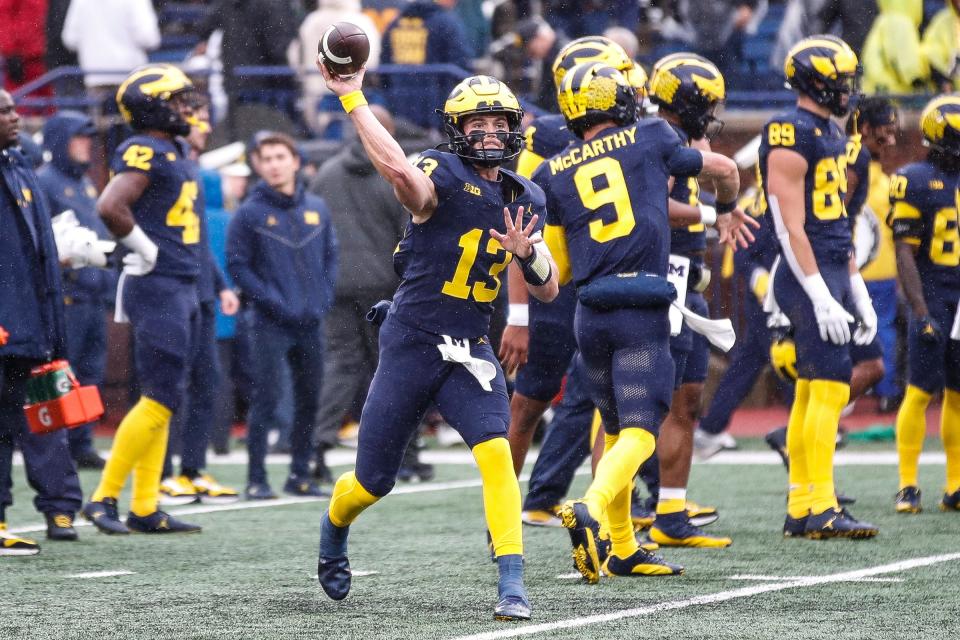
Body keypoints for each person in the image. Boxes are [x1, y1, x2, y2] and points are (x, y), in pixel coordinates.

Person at [316, 64, 559, 621]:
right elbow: (406, 180)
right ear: (456, 129)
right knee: (374, 481)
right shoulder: (441, 172)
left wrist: (529, 254)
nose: (491, 133)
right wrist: (353, 99)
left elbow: (548, 290)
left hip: (470, 346)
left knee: (496, 451)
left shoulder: (528, 196)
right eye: (479, 123)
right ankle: (335, 523)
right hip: (412, 340)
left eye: (500, 122)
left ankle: (513, 583)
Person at [536, 61, 741, 581]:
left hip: (588, 311)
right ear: (619, 101)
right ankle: (592, 505)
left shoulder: (552, 171)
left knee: (612, 425)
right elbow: (724, 171)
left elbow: (550, 256)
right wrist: (729, 207)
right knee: (642, 431)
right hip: (641, 304)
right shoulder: (651, 134)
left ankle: (624, 547)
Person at [762, 35, 878, 539]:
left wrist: (855, 287)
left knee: (814, 391)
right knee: (829, 388)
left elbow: (835, 225)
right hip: (807, 274)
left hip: (829, 267)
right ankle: (822, 506)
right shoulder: (789, 130)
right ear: (815, 83)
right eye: (840, 81)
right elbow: (790, 228)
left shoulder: (828, 131)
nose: (848, 91)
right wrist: (819, 292)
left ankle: (802, 506)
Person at [80, 65, 204, 536]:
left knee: (165, 396)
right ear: (152, 104)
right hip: (158, 282)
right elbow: (110, 206)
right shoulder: (145, 148)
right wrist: (145, 249)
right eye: (176, 100)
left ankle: (146, 505)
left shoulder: (171, 147)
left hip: (178, 282)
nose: (185, 109)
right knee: (158, 397)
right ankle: (104, 496)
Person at [645, 53, 735, 549]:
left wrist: (725, 208)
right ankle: (614, 513)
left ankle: (670, 513)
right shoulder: (654, 137)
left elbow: (718, 175)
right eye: (708, 103)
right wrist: (708, 212)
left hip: (689, 288)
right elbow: (653, 204)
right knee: (642, 407)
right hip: (663, 285)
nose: (715, 111)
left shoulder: (681, 137)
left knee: (687, 402)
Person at [227, 132, 338, 500]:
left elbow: (330, 258)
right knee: (266, 400)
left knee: (310, 399)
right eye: (266, 158)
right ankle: (256, 479)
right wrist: (274, 302)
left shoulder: (318, 208)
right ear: (258, 165)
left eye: (280, 156)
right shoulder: (248, 212)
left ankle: (300, 475)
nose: (273, 164)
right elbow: (238, 267)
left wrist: (321, 300)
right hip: (268, 323)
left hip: (311, 322)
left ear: (295, 160)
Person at [1, 89, 85, 552]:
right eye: (4, 110)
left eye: (14, 107)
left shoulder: (19, 166)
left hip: (32, 321)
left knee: (47, 415)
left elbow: (38, 254)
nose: (16, 117)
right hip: (7, 322)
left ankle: (60, 506)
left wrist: (52, 323)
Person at [309, 105, 408, 484]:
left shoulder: (327, 173)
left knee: (342, 364)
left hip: (337, 285)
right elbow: (409, 235)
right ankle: (405, 454)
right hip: (384, 286)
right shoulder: (394, 175)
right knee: (393, 369)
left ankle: (317, 446)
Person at [159, 103, 241, 505]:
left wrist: (222, 283)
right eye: (197, 116)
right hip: (171, 288)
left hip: (202, 289)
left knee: (206, 381)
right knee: (167, 384)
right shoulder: (159, 164)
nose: (205, 126)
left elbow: (200, 240)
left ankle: (191, 469)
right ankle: (159, 475)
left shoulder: (190, 170)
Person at [890, 95, 960, 514]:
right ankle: (907, 484)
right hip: (933, 292)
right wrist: (920, 310)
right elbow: (903, 251)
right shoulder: (914, 179)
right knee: (920, 390)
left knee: (958, 393)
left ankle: (955, 484)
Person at [35, 111, 111, 470]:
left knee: (91, 372)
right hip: (66, 295)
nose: (86, 145)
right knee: (63, 372)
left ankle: (82, 441)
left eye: (88, 139)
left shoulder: (85, 183)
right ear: (59, 140)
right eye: (78, 138)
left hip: (92, 294)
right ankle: (57, 442)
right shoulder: (45, 182)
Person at [846, 97, 901, 411]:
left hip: (850, 269)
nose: (891, 140)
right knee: (883, 329)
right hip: (879, 270)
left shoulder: (841, 171)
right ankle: (886, 391)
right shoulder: (888, 186)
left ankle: (851, 391)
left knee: (847, 331)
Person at [61, 0, 160, 92]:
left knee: (99, 109)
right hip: (130, 77)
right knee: (130, 109)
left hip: (95, 76)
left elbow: (70, 39)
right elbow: (149, 38)